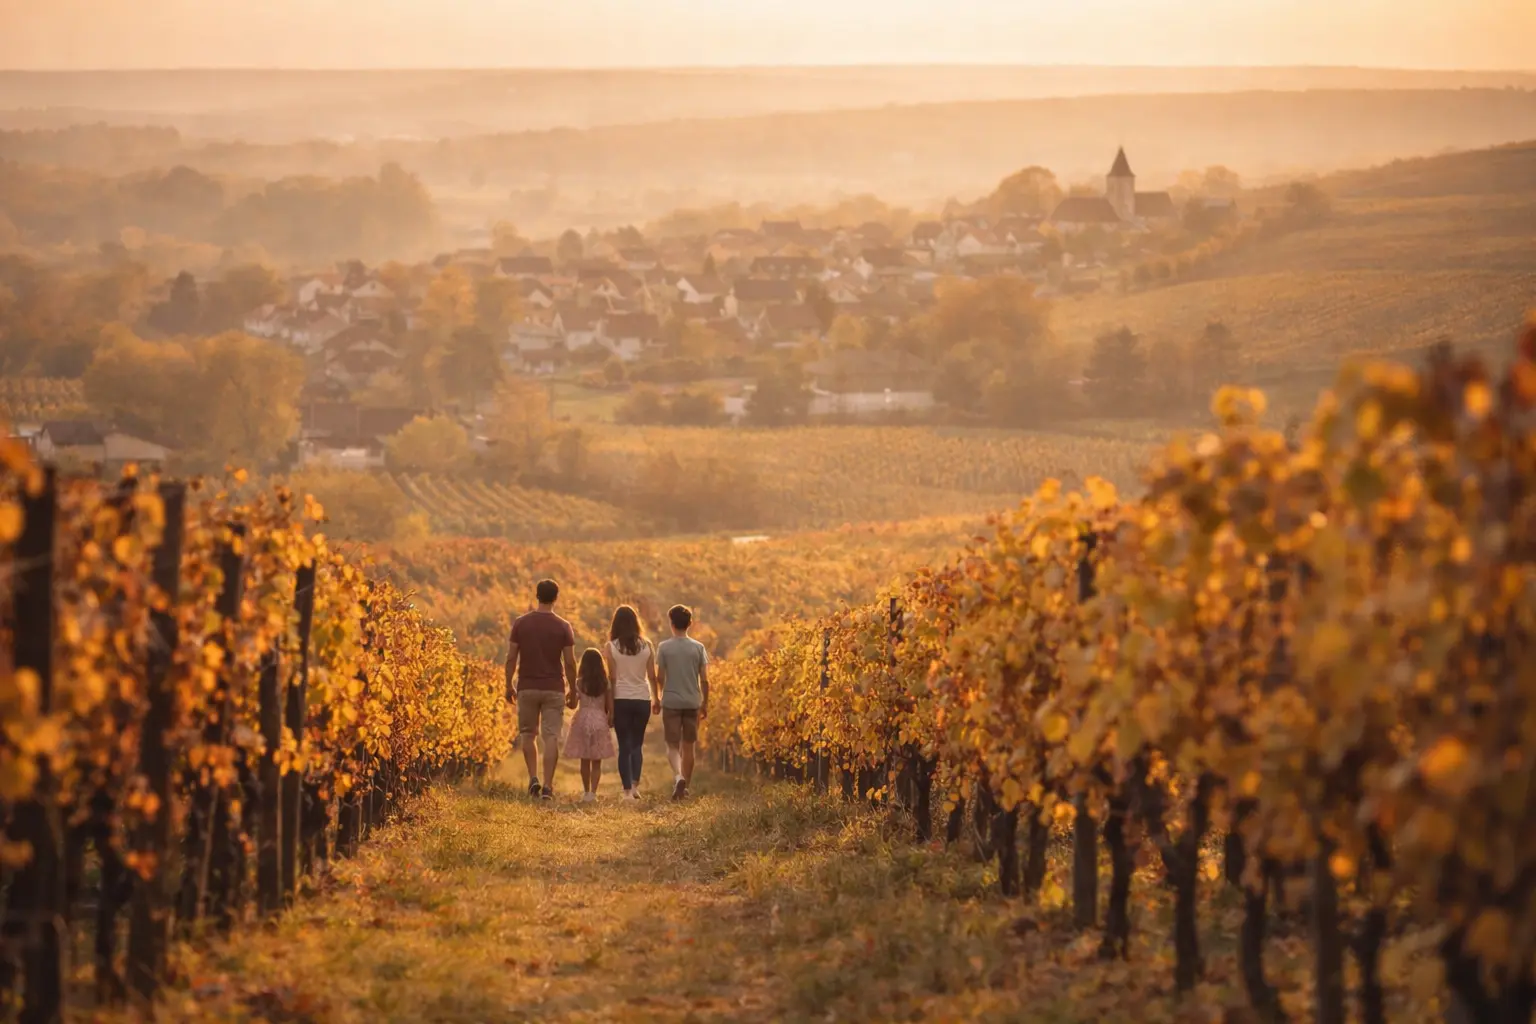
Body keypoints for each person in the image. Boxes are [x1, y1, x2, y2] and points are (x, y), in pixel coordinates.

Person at [506, 579, 577, 800]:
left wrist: (508, 684)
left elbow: (511, 657)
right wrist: (573, 689)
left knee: (528, 735)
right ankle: (547, 786)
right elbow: (570, 662)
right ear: (556, 597)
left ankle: (532, 778)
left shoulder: (520, 623)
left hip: (527, 686)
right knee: (551, 737)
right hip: (554, 688)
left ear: (536, 595)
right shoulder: (563, 626)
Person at [655, 604, 709, 801]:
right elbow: (704, 679)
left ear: (671, 623)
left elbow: (659, 676)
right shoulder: (698, 648)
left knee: (672, 745)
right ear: (690, 624)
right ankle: (685, 788)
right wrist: (705, 703)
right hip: (692, 701)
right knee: (689, 747)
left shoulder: (664, 647)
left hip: (671, 701)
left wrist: (659, 696)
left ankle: (678, 777)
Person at [603, 605, 657, 801]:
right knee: (637, 744)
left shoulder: (611, 647)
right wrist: (657, 699)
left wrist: (609, 707)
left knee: (624, 746)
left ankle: (626, 791)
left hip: (621, 699)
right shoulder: (648, 645)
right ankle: (635, 786)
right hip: (642, 699)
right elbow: (652, 676)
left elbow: (612, 678)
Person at [564, 648, 617, 803]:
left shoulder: (579, 683)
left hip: (582, 720)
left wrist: (569, 700)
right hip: (599, 719)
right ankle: (593, 793)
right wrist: (611, 718)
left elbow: (573, 704)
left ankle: (586, 791)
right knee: (597, 760)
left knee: (584, 759)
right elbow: (610, 707)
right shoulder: (605, 683)